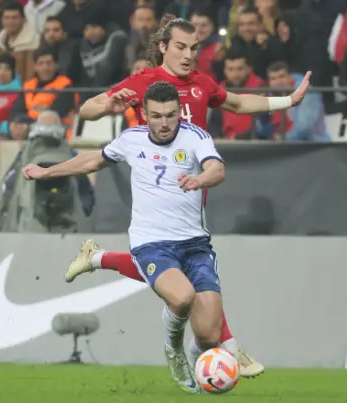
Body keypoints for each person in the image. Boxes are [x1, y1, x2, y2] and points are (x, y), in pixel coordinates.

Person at [71, 16, 313, 378]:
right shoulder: (144, 82)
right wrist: (107, 106)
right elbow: (87, 109)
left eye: (194, 48)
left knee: (181, 268)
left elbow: (236, 104)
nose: (188, 55)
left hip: (192, 187)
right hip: (155, 190)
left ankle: (98, 258)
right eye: (181, 47)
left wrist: (287, 101)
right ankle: (229, 347)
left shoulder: (201, 83)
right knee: (189, 270)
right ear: (164, 47)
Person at [22, 82, 224, 393]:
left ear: (178, 115)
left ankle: (203, 359)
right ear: (144, 114)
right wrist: (48, 172)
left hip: (195, 243)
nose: (165, 122)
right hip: (151, 242)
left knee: (211, 335)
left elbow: (217, 169)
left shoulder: (194, 136)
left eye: (171, 115)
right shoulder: (131, 140)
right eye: (156, 115)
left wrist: (200, 178)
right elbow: (93, 161)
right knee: (182, 297)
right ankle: (174, 349)